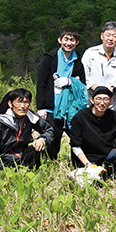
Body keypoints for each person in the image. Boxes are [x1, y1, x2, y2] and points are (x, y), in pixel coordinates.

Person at [36, 26, 86, 160]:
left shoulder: (78, 62)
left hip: (70, 109)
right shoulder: (50, 58)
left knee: (77, 138)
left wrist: (70, 81)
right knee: (52, 139)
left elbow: (82, 86)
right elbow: (41, 83)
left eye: (72, 40)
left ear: (77, 42)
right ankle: (48, 165)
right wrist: (40, 107)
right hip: (52, 107)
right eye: (66, 39)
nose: (69, 43)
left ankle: (78, 165)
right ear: (60, 40)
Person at [70, 86, 116, 174]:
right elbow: (75, 146)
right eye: (98, 99)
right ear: (91, 100)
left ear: (111, 101)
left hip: (106, 153)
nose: (102, 103)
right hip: (87, 157)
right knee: (95, 181)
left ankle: (109, 170)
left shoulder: (114, 116)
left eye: (106, 99)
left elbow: (115, 137)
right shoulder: (80, 118)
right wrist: (89, 165)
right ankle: (96, 171)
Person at [0, 89, 53, 169]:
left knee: (40, 147)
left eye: (26, 102)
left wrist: (42, 139)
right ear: (10, 104)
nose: (22, 106)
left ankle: (32, 173)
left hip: (22, 155)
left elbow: (48, 130)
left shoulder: (31, 116)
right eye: (18, 102)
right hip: (4, 158)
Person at [82, 21, 116, 114]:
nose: (110, 39)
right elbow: (84, 72)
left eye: (114, 36)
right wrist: (93, 86)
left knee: (112, 124)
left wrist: (114, 88)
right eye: (108, 35)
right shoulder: (90, 52)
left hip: (113, 97)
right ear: (102, 36)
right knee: (91, 124)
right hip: (93, 96)